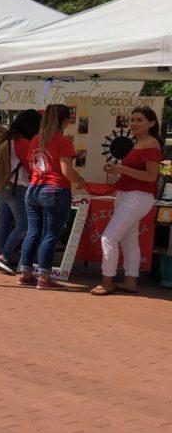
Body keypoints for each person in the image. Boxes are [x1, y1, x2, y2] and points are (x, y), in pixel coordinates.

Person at [92, 106, 163, 295]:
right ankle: (130, 280)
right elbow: (138, 173)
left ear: (152, 123)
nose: (134, 123)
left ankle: (107, 280)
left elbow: (150, 176)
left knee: (109, 237)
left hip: (137, 197)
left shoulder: (150, 143)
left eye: (139, 120)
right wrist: (117, 169)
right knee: (129, 240)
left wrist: (122, 169)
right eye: (132, 120)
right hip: (129, 195)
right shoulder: (140, 143)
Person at [17, 104, 87, 289]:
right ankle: (44, 278)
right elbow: (67, 171)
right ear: (64, 121)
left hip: (34, 188)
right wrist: (81, 181)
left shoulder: (36, 139)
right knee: (50, 234)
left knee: (33, 232)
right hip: (55, 190)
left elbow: (32, 165)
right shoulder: (63, 141)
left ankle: (25, 274)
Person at [0, 109, 41, 274]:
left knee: (5, 223)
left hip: (5, 185)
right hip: (17, 187)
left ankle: (5, 257)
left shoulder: (8, 138)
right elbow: (31, 167)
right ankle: (4, 256)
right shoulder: (23, 142)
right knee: (24, 225)